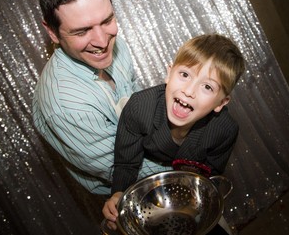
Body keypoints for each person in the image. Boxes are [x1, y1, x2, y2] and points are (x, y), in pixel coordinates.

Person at [32, 0, 170, 195]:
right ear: (52, 32)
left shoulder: (115, 46)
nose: (102, 41)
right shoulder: (65, 104)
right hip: (138, 194)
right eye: (82, 31)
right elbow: (124, 168)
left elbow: (142, 112)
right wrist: (191, 163)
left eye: (107, 21)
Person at [102, 34, 246, 233]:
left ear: (221, 103)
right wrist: (118, 194)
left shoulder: (224, 130)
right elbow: (126, 163)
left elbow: (209, 175)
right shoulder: (139, 108)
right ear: (169, 74)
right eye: (185, 75)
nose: (189, 91)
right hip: (149, 198)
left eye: (207, 87)